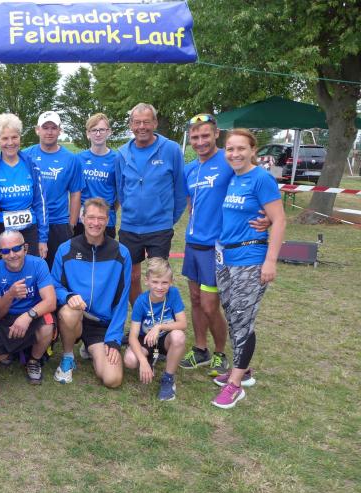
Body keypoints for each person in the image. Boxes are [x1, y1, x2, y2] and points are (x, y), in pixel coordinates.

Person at [179, 113, 270, 376]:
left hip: (217, 246)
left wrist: (267, 218)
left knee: (210, 304)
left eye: (205, 135)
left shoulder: (229, 159)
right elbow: (192, 203)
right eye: (195, 137)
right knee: (195, 299)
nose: (200, 141)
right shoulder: (190, 168)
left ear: (216, 134)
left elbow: (253, 183)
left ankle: (220, 352)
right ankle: (200, 349)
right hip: (193, 243)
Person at [211, 129, 286, 409]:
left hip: (251, 257)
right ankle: (243, 370)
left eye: (241, 148)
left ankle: (235, 385)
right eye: (230, 149)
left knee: (243, 319)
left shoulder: (261, 179)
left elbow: (279, 220)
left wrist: (270, 260)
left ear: (253, 150)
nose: (235, 154)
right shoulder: (234, 178)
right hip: (227, 256)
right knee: (234, 317)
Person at [52, 197, 131, 387]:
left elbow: (122, 301)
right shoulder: (66, 249)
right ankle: (68, 356)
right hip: (75, 317)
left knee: (112, 379)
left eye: (101, 218)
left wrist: (113, 339)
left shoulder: (121, 253)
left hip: (101, 325)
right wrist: (68, 296)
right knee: (69, 312)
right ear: (82, 218)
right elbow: (54, 285)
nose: (96, 223)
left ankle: (90, 349)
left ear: (108, 220)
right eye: (91, 217)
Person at [114, 103, 186, 304]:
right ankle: (141, 316)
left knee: (159, 280)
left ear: (155, 123)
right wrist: (131, 210)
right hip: (130, 227)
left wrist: (167, 218)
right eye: (137, 122)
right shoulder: (122, 154)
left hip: (159, 228)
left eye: (146, 122)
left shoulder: (171, 149)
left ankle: (158, 318)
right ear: (131, 125)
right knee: (132, 277)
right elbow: (121, 189)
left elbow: (180, 190)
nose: (141, 127)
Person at [0, 230, 56, 384]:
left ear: (25, 248)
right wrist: (10, 294)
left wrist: (27, 316)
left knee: (47, 324)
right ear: (0, 253)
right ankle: (12, 351)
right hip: (6, 317)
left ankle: (34, 360)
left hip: (33, 314)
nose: (12, 255)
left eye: (16, 249)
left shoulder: (39, 264)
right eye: (5, 251)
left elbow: (51, 302)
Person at [22, 111, 82, 268]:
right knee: (32, 269)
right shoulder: (26, 156)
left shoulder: (71, 159)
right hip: (33, 223)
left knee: (59, 269)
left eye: (53, 128)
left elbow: (75, 193)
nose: (49, 132)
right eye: (45, 127)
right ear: (37, 130)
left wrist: (71, 224)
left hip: (59, 223)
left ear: (60, 130)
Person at [0, 113, 48, 258]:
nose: (10, 142)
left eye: (14, 137)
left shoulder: (31, 165)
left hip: (29, 229)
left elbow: (40, 203)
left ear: (20, 138)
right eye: (5, 138)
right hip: (1, 229)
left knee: (31, 267)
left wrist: (43, 238)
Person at [124, 258, 187, 401]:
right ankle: (148, 358)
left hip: (165, 339)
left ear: (171, 282)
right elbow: (133, 336)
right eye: (155, 282)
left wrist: (159, 326)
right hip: (145, 339)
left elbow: (183, 324)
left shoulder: (173, 293)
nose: (159, 287)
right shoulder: (141, 301)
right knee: (130, 360)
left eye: (164, 282)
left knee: (179, 336)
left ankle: (168, 378)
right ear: (147, 281)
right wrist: (142, 361)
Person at [76, 114, 118, 239]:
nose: (98, 134)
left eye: (102, 130)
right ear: (88, 134)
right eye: (94, 130)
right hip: (82, 220)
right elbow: (74, 192)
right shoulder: (79, 159)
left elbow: (119, 194)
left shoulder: (117, 160)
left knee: (106, 251)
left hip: (106, 220)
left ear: (109, 132)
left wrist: (108, 210)